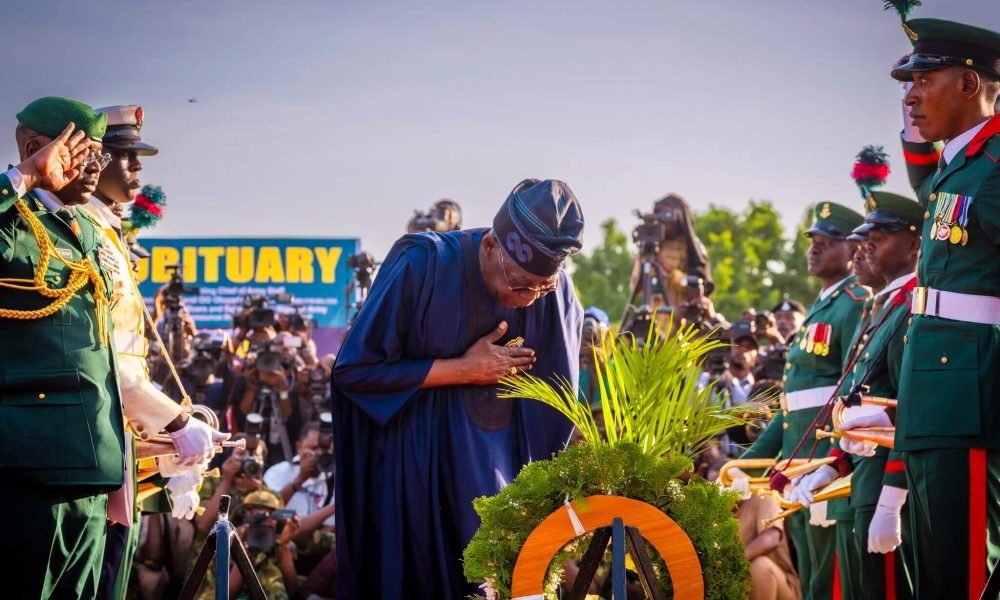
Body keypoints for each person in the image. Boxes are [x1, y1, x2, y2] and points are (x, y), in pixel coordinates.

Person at [333, 178, 584, 599]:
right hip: (419, 476)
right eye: (520, 285)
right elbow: (354, 371)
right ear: (489, 245)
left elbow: (556, 413)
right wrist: (463, 369)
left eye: (542, 288)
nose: (527, 300)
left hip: (504, 478)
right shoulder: (422, 264)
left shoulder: (553, 296)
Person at [877, 17, 1000, 597]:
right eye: (908, 83)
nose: (911, 95)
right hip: (936, 397)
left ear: (971, 85)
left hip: (973, 396)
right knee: (936, 580)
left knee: (964, 574)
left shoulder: (995, 166)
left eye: (924, 79)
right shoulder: (962, 166)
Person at [83, 104, 226, 600]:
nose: (138, 168)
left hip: (116, 452)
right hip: (89, 454)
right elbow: (111, 367)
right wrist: (175, 427)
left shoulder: (108, 233)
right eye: (126, 156)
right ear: (94, 161)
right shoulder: (85, 234)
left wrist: (166, 455)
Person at [0, 97, 125, 598]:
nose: (98, 167)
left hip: (93, 457)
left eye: (102, 156)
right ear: (36, 147)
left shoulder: (86, 229)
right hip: (32, 464)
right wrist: (23, 178)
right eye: (85, 153)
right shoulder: (13, 220)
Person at [734, 202, 869, 600]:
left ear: (852, 250)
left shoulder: (855, 302)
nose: (814, 249)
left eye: (827, 242)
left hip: (824, 469)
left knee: (831, 584)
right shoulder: (822, 307)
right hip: (799, 468)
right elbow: (792, 406)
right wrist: (743, 464)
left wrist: (829, 465)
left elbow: (849, 398)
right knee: (811, 580)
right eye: (813, 241)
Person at [792, 192, 923, 598]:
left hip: (886, 484)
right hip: (862, 480)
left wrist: (890, 500)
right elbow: (854, 400)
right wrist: (831, 466)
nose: (866, 246)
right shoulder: (885, 306)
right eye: (866, 236)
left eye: (880, 236)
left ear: (915, 244)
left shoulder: (909, 304)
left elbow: (909, 408)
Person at [708, 460, 801, 600]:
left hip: (781, 587)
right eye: (715, 487)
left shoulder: (761, 495)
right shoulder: (716, 512)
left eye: (725, 484)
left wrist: (735, 563)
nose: (720, 490)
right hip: (738, 586)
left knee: (758, 566)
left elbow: (772, 538)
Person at [628, 193, 713, 309]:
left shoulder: (693, 247)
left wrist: (674, 277)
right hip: (654, 315)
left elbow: (704, 286)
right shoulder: (650, 246)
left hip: (682, 317)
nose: (666, 223)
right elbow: (635, 286)